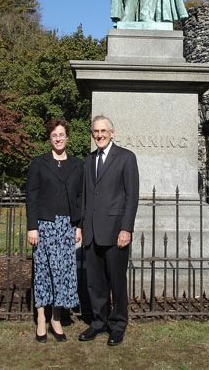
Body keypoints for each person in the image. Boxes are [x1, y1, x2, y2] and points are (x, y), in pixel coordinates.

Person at [77, 116, 139, 346]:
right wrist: (81, 226)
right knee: (95, 282)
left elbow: (131, 197)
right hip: (92, 231)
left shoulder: (126, 158)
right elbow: (85, 195)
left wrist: (126, 228)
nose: (99, 135)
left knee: (116, 281)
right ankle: (98, 322)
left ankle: (118, 324)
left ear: (112, 133)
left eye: (103, 131)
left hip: (115, 232)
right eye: (96, 131)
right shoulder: (88, 160)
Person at [26, 118, 83, 343]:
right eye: (54, 136)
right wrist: (32, 227)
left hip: (67, 225)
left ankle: (56, 318)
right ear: (49, 139)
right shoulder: (39, 163)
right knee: (43, 272)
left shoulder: (77, 164)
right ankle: (41, 317)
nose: (58, 139)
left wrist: (79, 225)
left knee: (62, 273)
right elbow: (31, 197)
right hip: (44, 225)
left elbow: (81, 196)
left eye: (61, 135)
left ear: (67, 137)